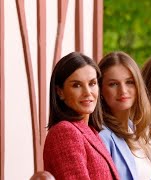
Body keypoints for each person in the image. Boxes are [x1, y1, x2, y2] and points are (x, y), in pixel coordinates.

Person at [43, 52, 119, 180]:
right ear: (60, 92)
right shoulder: (64, 131)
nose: (87, 92)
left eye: (92, 83)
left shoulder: (91, 131)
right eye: (76, 85)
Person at [98, 51, 151, 180]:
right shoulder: (102, 136)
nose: (123, 91)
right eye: (113, 84)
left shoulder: (137, 131)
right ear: (101, 90)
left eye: (129, 82)